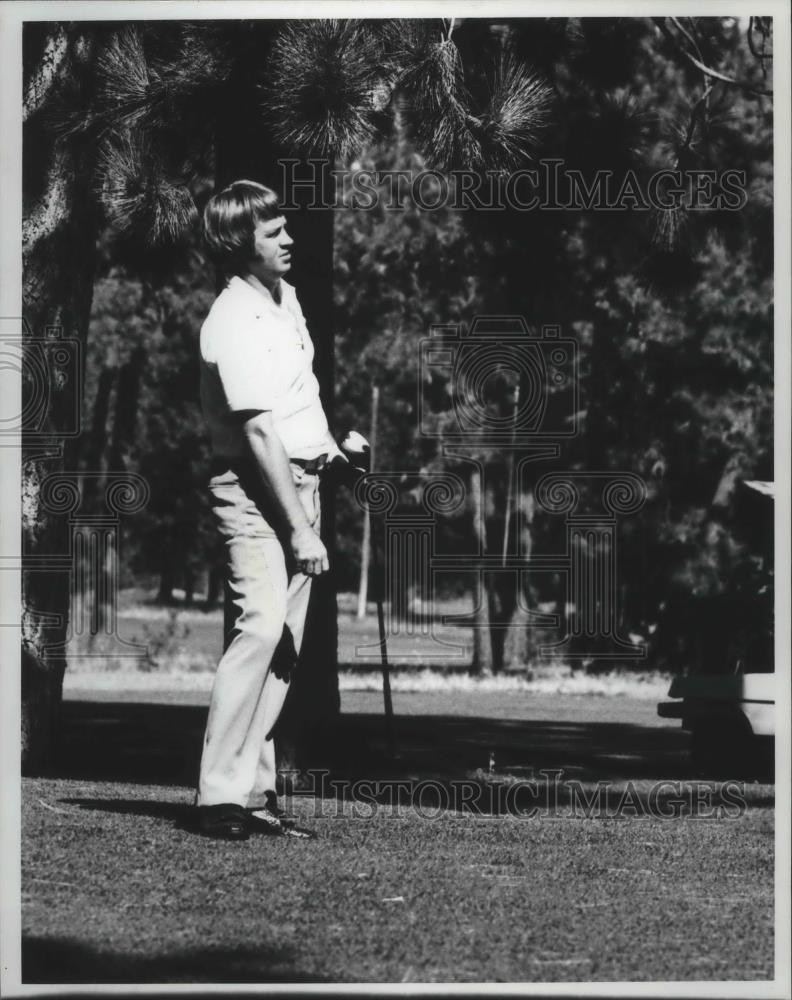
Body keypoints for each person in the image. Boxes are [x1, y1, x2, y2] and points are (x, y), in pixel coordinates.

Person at [195, 180, 347, 841]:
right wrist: (300, 528)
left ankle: (252, 790)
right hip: (257, 491)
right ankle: (217, 797)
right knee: (259, 629)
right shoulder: (232, 320)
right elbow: (258, 435)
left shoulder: (285, 300)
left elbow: (293, 396)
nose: (290, 239)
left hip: (301, 480)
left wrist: (332, 446)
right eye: (273, 232)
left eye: (286, 227)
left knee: (282, 646)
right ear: (239, 243)